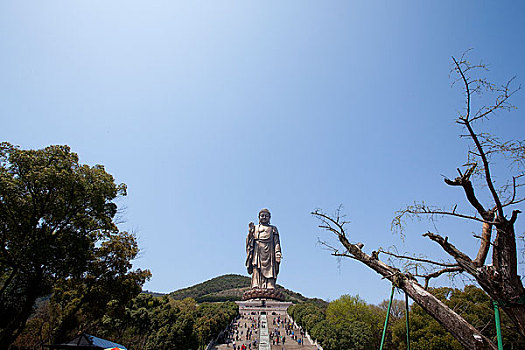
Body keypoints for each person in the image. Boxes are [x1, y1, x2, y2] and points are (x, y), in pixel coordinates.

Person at [246, 208, 282, 289]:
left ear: (269, 218)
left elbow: (276, 242)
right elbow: (250, 241)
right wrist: (251, 233)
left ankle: (270, 284)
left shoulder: (273, 228)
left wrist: (277, 252)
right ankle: (256, 284)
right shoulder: (255, 227)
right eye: (262, 215)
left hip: (269, 250)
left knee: (270, 267)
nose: (264, 217)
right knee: (256, 267)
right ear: (259, 217)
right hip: (258, 249)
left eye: (266, 216)